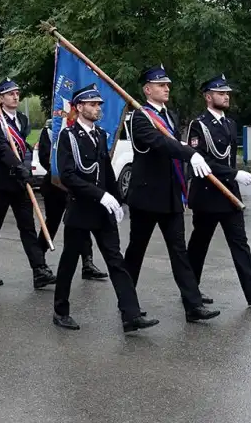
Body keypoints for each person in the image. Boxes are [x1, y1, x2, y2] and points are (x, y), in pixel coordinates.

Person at [51, 84, 158, 333]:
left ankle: (131, 314)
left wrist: (117, 199)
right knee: (69, 261)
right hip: (80, 210)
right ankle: (60, 311)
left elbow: (106, 170)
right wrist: (101, 196)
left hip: (102, 211)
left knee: (116, 261)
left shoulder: (99, 134)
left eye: (99, 104)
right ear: (79, 107)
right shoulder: (68, 136)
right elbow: (68, 176)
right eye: (92, 104)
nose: (97, 108)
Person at [121, 64, 221, 323]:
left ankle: (193, 306)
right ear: (147, 89)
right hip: (146, 197)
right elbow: (159, 143)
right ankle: (128, 308)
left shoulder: (170, 116)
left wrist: (184, 150)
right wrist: (189, 152)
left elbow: (173, 143)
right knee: (136, 252)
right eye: (161, 85)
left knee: (179, 253)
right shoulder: (139, 117)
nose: (166, 88)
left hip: (171, 196)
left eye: (167, 85)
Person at [183, 75, 251, 307]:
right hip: (207, 195)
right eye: (221, 93)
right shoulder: (199, 125)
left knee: (240, 244)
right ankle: (190, 291)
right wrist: (233, 174)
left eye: (227, 93)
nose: (226, 96)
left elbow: (228, 157)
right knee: (199, 246)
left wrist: (232, 177)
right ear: (208, 97)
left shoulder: (230, 123)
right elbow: (202, 161)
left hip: (229, 195)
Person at [0, 79, 55, 289]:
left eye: (17, 93)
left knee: (27, 226)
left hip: (19, 182)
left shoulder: (22, 119)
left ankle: (39, 269)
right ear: (0, 98)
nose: (15, 96)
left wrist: (26, 167)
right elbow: (0, 148)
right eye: (10, 94)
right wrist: (18, 166)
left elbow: (22, 147)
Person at [37, 120, 108, 281]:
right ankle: (39, 262)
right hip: (56, 185)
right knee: (52, 223)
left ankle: (87, 263)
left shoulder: (85, 130)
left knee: (83, 223)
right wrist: (61, 172)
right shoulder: (52, 128)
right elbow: (44, 156)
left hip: (78, 186)